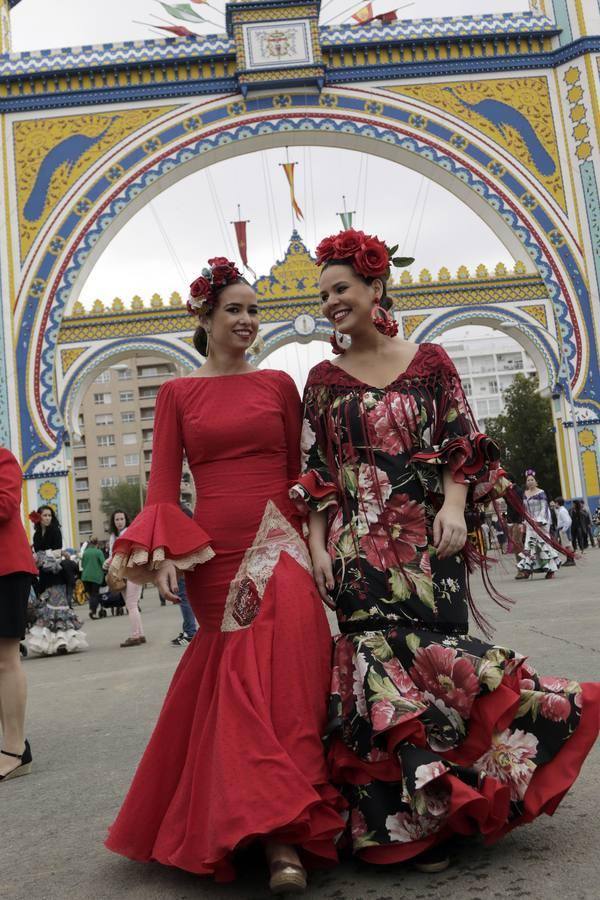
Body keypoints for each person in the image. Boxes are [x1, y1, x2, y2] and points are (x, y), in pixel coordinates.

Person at [293, 228, 600, 873]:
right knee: (376, 671)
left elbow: (463, 443)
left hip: (431, 541)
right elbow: (316, 470)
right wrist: (318, 548)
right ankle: (410, 828)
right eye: (322, 295)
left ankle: (459, 805)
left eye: (340, 289)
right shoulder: (321, 381)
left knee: (439, 674)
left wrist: (454, 508)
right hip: (356, 550)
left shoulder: (430, 363)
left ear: (376, 287)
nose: (330, 303)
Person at [105, 256, 345, 892]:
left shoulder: (279, 386)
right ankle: (272, 833)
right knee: (240, 686)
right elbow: (162, 485)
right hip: (215, 559)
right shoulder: (177, 394)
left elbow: (300, 475)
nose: (246, 320)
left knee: (290, 679)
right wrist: (161, 557)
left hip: (282, 544)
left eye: (253, 310)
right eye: (233, 309)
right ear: (204, 319)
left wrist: (317, 544)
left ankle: (287, 832)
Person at [0, 447, 37, 783]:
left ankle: (15, 749)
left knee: (6, 659)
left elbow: (6, 505)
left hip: (7, 570)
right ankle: (10, 746)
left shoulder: (2, 458)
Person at [26, 507, 87, 656]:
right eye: (45, 515)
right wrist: (37, 558)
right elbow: (37, 555)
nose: (47, 518)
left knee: (58, 608)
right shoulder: (36, 534)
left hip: (56, 573)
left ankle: (63, 642)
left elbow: (58, 552)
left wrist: (41, 557)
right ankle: (49, 644)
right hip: (44, 575)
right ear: (39, 517)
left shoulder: (55, 531)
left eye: (50, 515)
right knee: (46, 609)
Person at [108, 510, 146, 647]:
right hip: (122, 573)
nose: (119, 522)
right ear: (113, 521)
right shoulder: (113, 536)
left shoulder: (130, 532)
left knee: (131, 605)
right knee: (131, 604)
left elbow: (127, 553)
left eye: (121, 519)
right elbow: (113, 554)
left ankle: (136, 636)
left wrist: (110, 561)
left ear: (126, 520)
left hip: (133, 571)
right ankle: (140, 634)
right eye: (117, 519)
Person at [515, 471, 560, 580]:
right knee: (529, 546)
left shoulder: (541, 493)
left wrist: (539, 521)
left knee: (543, 546)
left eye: (532, 480)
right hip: (530, 524)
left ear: (536, 482)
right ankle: (528, 569)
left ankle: (550, 570)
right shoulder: (525, 494)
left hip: (541, 524)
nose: (530, 482)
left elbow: (544, 507)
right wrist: (526, 521)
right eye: (528, 480)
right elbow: (525, 509)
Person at [81, 539, 107, 619]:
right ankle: (93, 612)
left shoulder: (85, 552)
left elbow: (82, 565)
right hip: (96, 576)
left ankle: (91, 610)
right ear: (97, 544)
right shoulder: (98, 552)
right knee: (95, 594)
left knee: (91, 595)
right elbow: (104, 564)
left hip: (85, 577)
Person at [555, 497, 576, 566]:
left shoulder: (562, 511)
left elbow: (568, 521)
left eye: (555, 503)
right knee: (566, 545)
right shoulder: (561, 510)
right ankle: (569, 559)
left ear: (558, 503)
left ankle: (571, 560)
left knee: (567, 545)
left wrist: (564, 530)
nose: (555, 504)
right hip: (562, 529)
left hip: (563, 530)